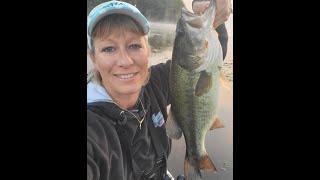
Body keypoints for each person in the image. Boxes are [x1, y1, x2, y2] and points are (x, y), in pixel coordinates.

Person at [87, 1, 230, 180]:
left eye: (134, 46)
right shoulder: (92, 129)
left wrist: (215, 9)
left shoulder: (157, 82)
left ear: (148, 51)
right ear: (94, 58)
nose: (125, 61)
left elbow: (214, 55)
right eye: (109, 49)